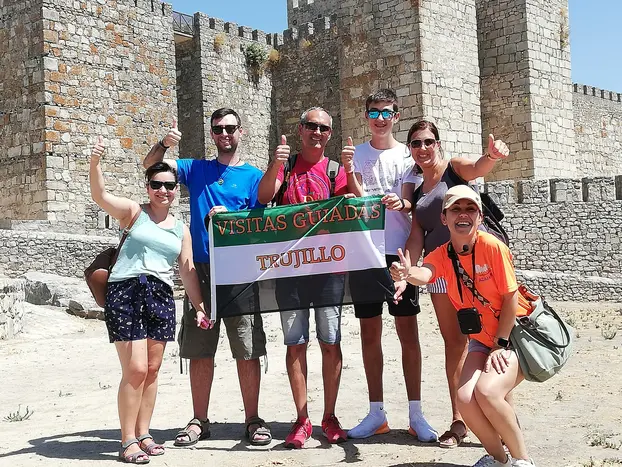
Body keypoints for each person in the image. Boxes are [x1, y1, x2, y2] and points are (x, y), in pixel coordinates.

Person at [142, 109, 271, 446]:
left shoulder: (254, 176)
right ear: (212, 133)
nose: (224, 134)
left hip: (239, 270)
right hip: (199, 269)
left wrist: (232, 217)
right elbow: (151, 167)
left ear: (241, 131)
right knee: (200, 349)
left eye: (230, 128)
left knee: (247, 346)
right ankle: (199, 420)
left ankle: (253, 420)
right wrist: (164, 144)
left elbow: (260, 224)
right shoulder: (196, 169)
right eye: (218, 129)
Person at [391, 185, 536, 467]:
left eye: (470, 209)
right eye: (455, 209)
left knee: (488, 392)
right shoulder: (442, 254)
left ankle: (523, 461)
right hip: (482, 339)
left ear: (480, 217)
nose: (463, 214)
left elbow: (510, 298)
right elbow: (426, 273)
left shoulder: (493, 247)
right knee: (465, 399)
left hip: (513, 334)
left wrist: (500, 344)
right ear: (444, 218)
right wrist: (408, 273)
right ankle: (499, 460)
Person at [90, 137, 210, 464]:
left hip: (160, 295)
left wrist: (200, 307)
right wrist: (95, 163)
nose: (163, 190)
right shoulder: (133, 212)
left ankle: (143, 433)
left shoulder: (180, 229)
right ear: (147, 187)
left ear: (176, 190)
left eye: (169, 186)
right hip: (126, 292)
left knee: (153, 370)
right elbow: (100, 196)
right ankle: (127, 439)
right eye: (156, 185)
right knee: (136, 369)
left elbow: (187, 271)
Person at [400, 120, 509, 448]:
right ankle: (460, 420)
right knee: (455, 344)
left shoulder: (453, 169)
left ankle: (501, 421)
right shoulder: (418, 192)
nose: (423, 148)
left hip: (478, 269)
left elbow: (477, 167)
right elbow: (417, 236)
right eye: (416, 143)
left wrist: (491, 156)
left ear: (438, 143)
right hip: (440, 273)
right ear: (410, 149)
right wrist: (407, 270)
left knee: (492, 342)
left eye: (428, 141)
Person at [340, 89, 436, 441]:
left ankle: (416, 414)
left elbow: (409, 202)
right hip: (365, 253)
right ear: (366, 115)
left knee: (408, 333)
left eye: (386, 112)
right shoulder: (357, 154)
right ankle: (376, 412)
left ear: (396, 116)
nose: (380, 118)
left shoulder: (407, 155)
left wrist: (401, 203)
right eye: (374, 112)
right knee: (369, 334)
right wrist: (348, 169)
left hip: (398, 253)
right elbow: (359, 200)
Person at [257, 107, 350, 448]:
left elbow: (353, 204)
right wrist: (276, 163)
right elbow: (264, 197)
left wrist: (352, 172)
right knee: (295, 343)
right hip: (291, 270)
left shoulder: (335, 170)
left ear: (330, 134)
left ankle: (329, 415)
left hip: (328, 269)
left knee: (330, 341)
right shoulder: (286, 167)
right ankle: (302, 418)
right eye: (311, 126)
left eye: (323, 128)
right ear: (300, 130)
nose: (317, 132)